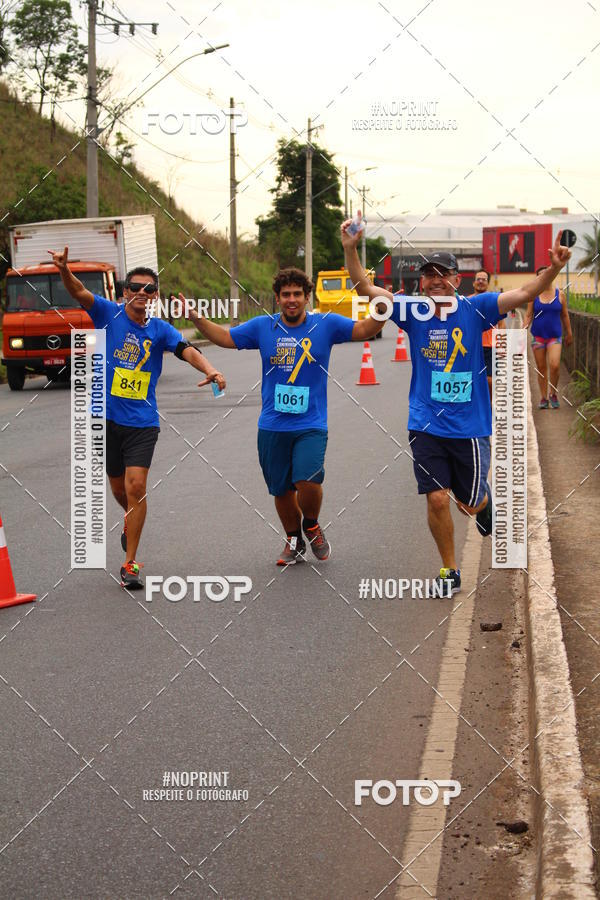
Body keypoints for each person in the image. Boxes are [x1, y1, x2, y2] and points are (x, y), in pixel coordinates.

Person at [343, 225, 571, 596]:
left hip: (469, 427)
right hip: (425, 423)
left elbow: (526, 292)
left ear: (456, 279)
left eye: (442, 274)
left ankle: (483, 503)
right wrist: (350, 249)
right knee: (436, 498)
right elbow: (366, 289)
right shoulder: (413, 311)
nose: (435, 281)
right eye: (428, 275)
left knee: (468, 504)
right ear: (421, 282)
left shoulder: (477, 308)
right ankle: (449, 569)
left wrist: (556, 268)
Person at [182, 267, 385, 566]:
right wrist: (196, 319)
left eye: (297, 294)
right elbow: (225, 337)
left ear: (307, 297)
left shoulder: (325, 325)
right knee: (281, 490)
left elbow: (365, 329)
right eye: (286, 294)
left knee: (308, 480)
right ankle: (293, 540)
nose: (292, 300)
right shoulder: (263, 327)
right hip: (272, 424)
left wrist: (383, 306)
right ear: (277, 298)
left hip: (311, 423)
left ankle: (311, 524)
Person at [49, 247, 226, 590]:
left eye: (149, 289)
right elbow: (78, 291)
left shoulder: (160, 329)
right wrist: (64, 270)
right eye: (136, 287)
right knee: (119, 488)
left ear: (155, 296)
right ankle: (130, 519)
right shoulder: (107, 313)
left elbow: (187, 350)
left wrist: (211, 369)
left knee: (136, 487)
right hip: (105, 419)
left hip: (142, 422)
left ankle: (130, 563)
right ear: (125, 292)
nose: (142, 293)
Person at [523, 266, 572, 408]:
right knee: (541, 368)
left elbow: (565, 315)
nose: (544, 277)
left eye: (546, 274)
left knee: (555, 365)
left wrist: (569, 333)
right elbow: (528, 315)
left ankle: (553, 393)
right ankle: (544, 398)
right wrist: (522, 331)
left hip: (554, 337)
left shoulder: (560, 294)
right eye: (540, 275)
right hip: (538, 337)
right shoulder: (534, 295)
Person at [470, 269, 505, 400]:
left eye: (484, 279)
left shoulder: (495, 301)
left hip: (490, 347)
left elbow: (502, 325)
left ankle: (489, 405)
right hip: (471, 347)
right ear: (474, 283)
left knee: (490, 380)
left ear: (488, 283)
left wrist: (502, 346)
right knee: (471, 379)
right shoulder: (467, 301)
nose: (481, 282)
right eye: (478, 279)